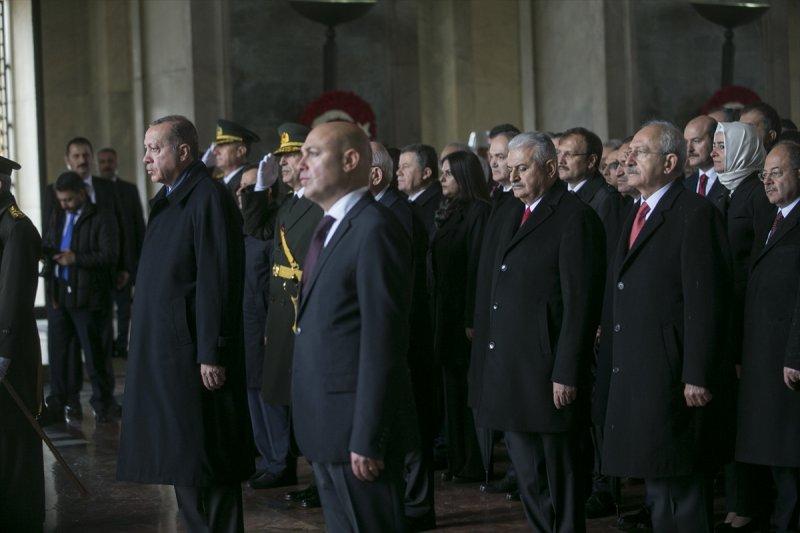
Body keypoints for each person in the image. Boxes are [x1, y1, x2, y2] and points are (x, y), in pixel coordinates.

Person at [116, 115, 252, 533]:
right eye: (146, 149)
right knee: (185, 460)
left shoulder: (207, 196)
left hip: (195, 355)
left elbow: (217, 278)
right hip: (172, 355)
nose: (146, 159)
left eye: (154, 149)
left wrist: (212, 352)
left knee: (208, 459)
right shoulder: (172, 197)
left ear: (184, 152)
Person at [601, 120, 734, 532]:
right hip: (640, 371)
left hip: (675, 376)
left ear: (671, 161)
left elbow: (706, 301)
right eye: (629, 151)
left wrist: (697, 373)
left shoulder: (694, 214)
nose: (628, 159)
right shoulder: (636, 211)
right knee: (659, 488)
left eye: (640, 151)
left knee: (681, 489)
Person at [472, 131, 606, 531]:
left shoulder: (574, 216)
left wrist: (566, 371)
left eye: (522, 168)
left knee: (559, 478)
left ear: (550, 168)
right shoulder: (510, 212)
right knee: (528, 477)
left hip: (548, 374)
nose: (512, 176)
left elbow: (580, 305)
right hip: (511, 369)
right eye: (509, 168)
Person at [291, 121, 418, 531]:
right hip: (328, 428)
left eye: (313, 153)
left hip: (357, 436)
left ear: (350, 161)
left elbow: (383, 343)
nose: (300, 163)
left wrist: (368, 436)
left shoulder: (374, 229)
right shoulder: (329, 227)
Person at [239, 123, 322, 503]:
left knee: (310, 401)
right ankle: (298, 470)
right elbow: (256, 227)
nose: (284, 162)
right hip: (281, 317)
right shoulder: (288, 203)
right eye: (284, 156)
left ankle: (320, 480)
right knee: (288, 397)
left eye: (291, 155)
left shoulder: (318, 203)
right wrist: (260, 187)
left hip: (302, 314)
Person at [710, 121, 773, 531]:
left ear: (742, 149)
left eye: (720, 145)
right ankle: (735, 500)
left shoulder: (755, 193)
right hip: (722, 316)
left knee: (748, 416)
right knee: (727, 418)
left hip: (748, 319)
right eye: (713, 145)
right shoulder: (720, 190)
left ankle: (752, 502)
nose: (715, 153)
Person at [370, 141, 437, 530]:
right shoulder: (384, 208)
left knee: (410, 425)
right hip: (396, 336)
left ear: (375, 175)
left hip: (406, 337)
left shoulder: (397, 213)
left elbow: (401, 285)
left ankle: (417, 505)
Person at [736, 141, 800, 533]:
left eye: (776, 172)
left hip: (788, 361)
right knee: (777, 457)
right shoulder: (773, 218)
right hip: (765, 357)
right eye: (764, 175)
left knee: (790, 455)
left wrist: (796, 354)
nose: (768, 181)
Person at [431, 150, 490, 485]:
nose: (443, 179)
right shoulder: (450, 211)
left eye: (449, 174)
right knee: (451, 391)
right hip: (445, 314)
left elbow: (475, 267)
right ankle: (458, 461)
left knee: (468, 392)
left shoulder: (479, 212)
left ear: (465, 177)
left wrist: (472, 317)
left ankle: (473, 462)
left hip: (463, 316)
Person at [42, 171, 120, 423]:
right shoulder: (57, 214)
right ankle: (62, 402)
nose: (64, 205)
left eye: (68, 200)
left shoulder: (101, 216)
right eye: (61, 200)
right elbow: (50, 242)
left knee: (94, 354)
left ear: (82, 194)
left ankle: (103, 403)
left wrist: (76, 258)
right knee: (60, 354)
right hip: (59, 296)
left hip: (88, 298)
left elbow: (109, 255)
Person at [472, 124, 523, 497]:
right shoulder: (501, 201)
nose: (495, 162)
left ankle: (522, 474)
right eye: (492, 156)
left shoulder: (519, 203)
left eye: (501, 156)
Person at [0, 156, 44, 532]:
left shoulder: (17, 229)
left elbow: (13, 299)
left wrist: (3, 354)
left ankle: (23, 515)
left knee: (16, 434)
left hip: (11, 351)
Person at [97, 147, 146, 359]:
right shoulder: (93, 190)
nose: (107, 165)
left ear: (116, 162)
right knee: (104, 309)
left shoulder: (129, 189)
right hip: (102, 263)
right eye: (103, 161)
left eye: (110, 161)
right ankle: (107, 345)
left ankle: (121, 345)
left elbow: (137, 228)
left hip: (126, 261)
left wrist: (131, 266)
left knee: (125, 308)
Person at [202, 119, 260, 197]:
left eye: (222, 145)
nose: (215, 152)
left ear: (240, 151)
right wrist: (203, 171)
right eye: (216, 146)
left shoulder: (251, 179)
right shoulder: (217, 181)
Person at [684, 115, 729, 215]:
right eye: (686, 142)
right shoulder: (685, 185)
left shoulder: (730, 182)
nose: (689, 149)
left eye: (696, 141)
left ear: (715, 139)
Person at [397, 144, 442, 238]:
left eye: (405, 166)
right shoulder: (403, 202)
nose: (398, 172)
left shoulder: (438, 207)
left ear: (426, 173)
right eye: (399, 167)